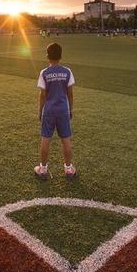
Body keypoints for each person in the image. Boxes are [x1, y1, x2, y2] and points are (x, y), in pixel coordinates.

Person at [34, 43, 76, 180]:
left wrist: (40, 111)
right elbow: (70, 93)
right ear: (61, 55)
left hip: (49, 110)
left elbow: (42, 94)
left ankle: (43, 169)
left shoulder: (44, 72)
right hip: (63, 109)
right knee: (66, 140)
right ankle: (69, 169)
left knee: (46, 139)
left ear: (47, 56)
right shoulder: (67, 72)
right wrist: (71, 109)